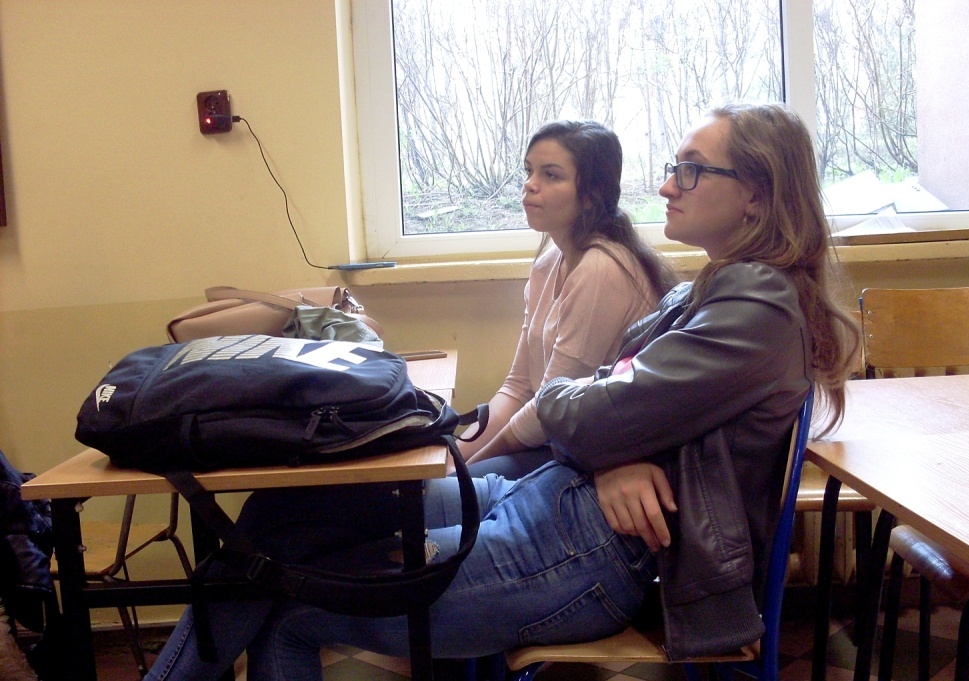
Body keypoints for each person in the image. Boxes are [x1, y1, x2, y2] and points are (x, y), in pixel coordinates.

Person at [143, 103, 861, 681]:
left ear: (757, 194)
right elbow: (596, 400)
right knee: (280, 522)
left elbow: (582, 405)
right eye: (675, 168)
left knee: (288, 604)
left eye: (692, 170)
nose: (669, 185)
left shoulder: (754, 308)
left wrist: (605, 431)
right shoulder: (718, 289)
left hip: (589, 551)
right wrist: (614, 444)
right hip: (555, 502)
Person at [459, 120, 676, 479]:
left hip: (594, 458)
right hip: (554, 441)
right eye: (529, 171)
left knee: (451, 491)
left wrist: (466, 469)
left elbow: (549, 409)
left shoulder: (601, 268)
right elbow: (518, 386)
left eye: (551, 175)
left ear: (591, 194)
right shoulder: (547, 265)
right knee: (434, 475)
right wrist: (454, 456)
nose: (529, 184)